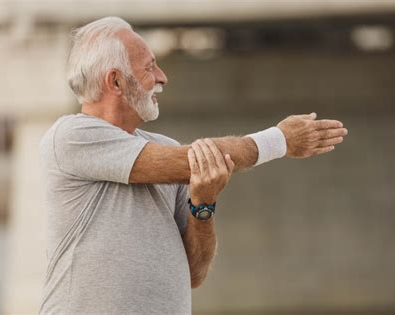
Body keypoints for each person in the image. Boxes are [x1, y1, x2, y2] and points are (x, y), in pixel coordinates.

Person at [39, 17, 348, 314]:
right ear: (115, 80)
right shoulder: (71, 136)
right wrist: (278, 140)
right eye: (150, 66)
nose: (162, 77)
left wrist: (203, 204)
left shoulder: (168, 150)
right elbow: (192, 162)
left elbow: (194, 274)